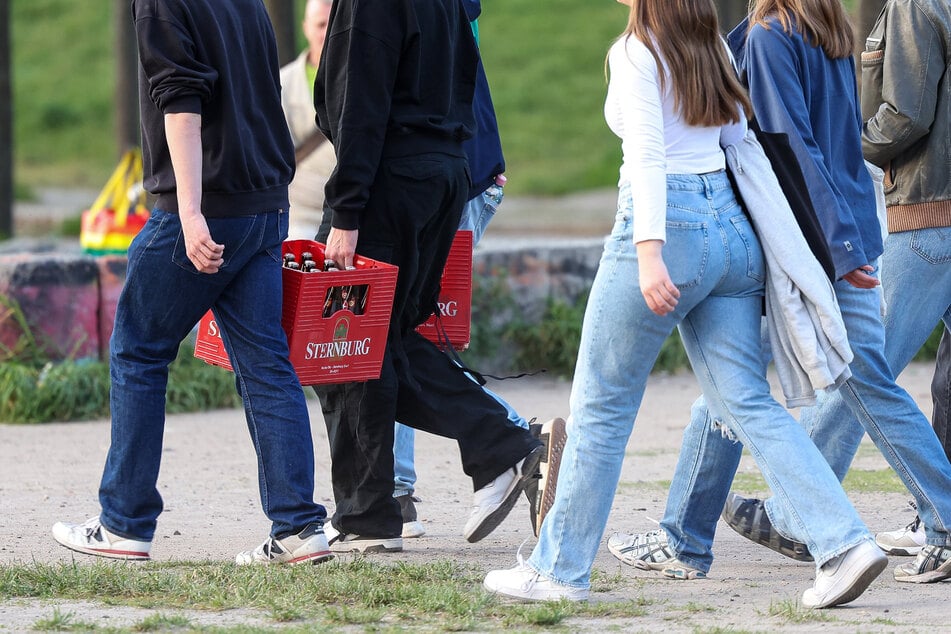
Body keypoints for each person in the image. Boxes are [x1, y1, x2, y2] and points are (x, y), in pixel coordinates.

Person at [484, 0, 884, 608]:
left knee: (601, 405)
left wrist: (650, 253)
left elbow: (648, 156)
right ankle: (846, 542)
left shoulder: (634, 51)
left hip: (669, 228)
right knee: (747, 400)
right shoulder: (711, 46)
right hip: (732, 233)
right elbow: (736, 142)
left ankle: (557, 571)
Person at [609, 0, 951, 587]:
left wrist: (837, 251)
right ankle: (685, 536)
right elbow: (839, 145)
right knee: (860, 380)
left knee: (732, 384)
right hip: (846, 231)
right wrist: (852, 240)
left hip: (802, 241)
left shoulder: (769, 37)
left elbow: (791, 149)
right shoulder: (827, 29)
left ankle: (684, 540)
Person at [51, 0, 332, 565]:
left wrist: (189, 211)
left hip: (209, 210)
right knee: (266, 364)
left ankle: (124, 523)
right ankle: (299, 529)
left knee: (138, 350)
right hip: (264, 207)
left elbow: (181, 103)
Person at [311, 0, 542, 554]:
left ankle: (492, 449)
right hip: (440, 176)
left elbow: (359, 105)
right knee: (384, 344)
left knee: (341, 345)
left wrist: (347, 213)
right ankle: (383, 505)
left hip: (388, 183)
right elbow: (467, 77)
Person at [281, 0, 337, 241]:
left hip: (347, 214)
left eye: (332, 24)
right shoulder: (283, 82)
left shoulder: (360, 79)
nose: (326, 33)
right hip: (299, 216)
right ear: (306, 28)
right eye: (320, 24)